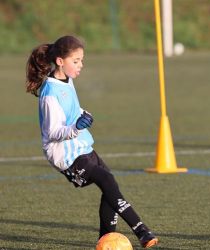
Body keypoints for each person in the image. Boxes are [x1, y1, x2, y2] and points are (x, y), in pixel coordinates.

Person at [25, 35, 158, 248]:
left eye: (81, 60)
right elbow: (52, 132)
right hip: (65, 155)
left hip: (81, 146)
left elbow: (72, 109)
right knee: (106, 180)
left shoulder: (67, 80)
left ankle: (105, 240)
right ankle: (141, 230)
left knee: (110, 185)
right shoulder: (49, 93)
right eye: (76, 61)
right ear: (60, 61)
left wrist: (82, 114)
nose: (81, 65)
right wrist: (77, 126)